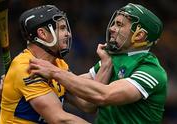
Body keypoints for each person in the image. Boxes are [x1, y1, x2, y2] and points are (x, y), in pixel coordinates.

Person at [29, 3, 168, 124]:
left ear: (139, 35)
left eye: (119, 24)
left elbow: (105, 95)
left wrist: (54, 72)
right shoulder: (111, 58)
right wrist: (25, 79)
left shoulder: (151, 70)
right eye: (114, 23)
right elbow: (82, 96)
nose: (112, 29)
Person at [0, 5, 92, 124]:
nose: (68, 34)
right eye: (62, 28)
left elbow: (88, 105)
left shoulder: (58, 64)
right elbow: (60, 119)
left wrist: (105, 63)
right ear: (42, 33)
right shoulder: (26, 68)